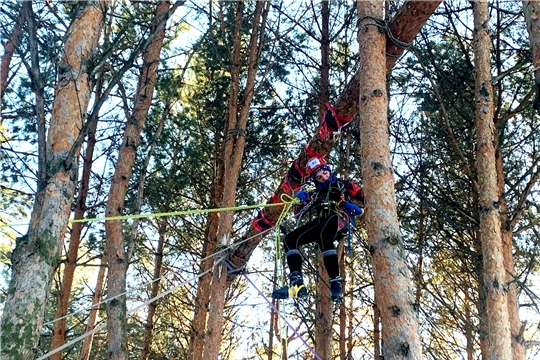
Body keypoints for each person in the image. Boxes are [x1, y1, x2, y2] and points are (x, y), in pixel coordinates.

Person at [272, 157, 364, 303]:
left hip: (339, 217)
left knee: (324, 234)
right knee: (290, 239)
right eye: (319, 177)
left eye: (325, 174)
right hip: (322, 223)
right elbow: (298, 214)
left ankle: (335, 282)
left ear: (329, 171)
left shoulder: (343, 185)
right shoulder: (315, 193)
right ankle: (297, 283)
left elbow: (365, 198)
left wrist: (351, 206)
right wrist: (300, 199)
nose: (323, 178)